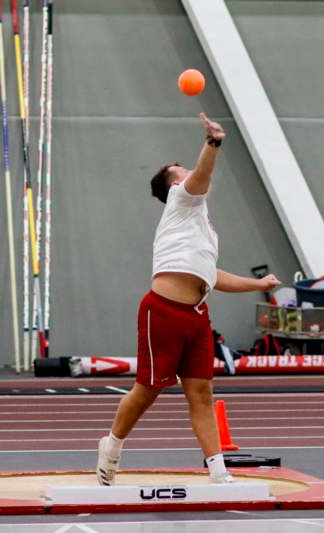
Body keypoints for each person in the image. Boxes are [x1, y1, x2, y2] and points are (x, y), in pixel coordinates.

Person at [96, 113, 281, 485]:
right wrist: (213, 143)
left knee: (201, 392)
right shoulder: (180, 201)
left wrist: (258, 285)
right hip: (162, 312)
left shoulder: (202, 225)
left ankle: (217, 470)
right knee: (148, 390)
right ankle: (112, 446)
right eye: (181, 169)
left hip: (197, 315)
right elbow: (201, 177)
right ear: (175, 184)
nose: (189, 172)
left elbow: (212, 277)